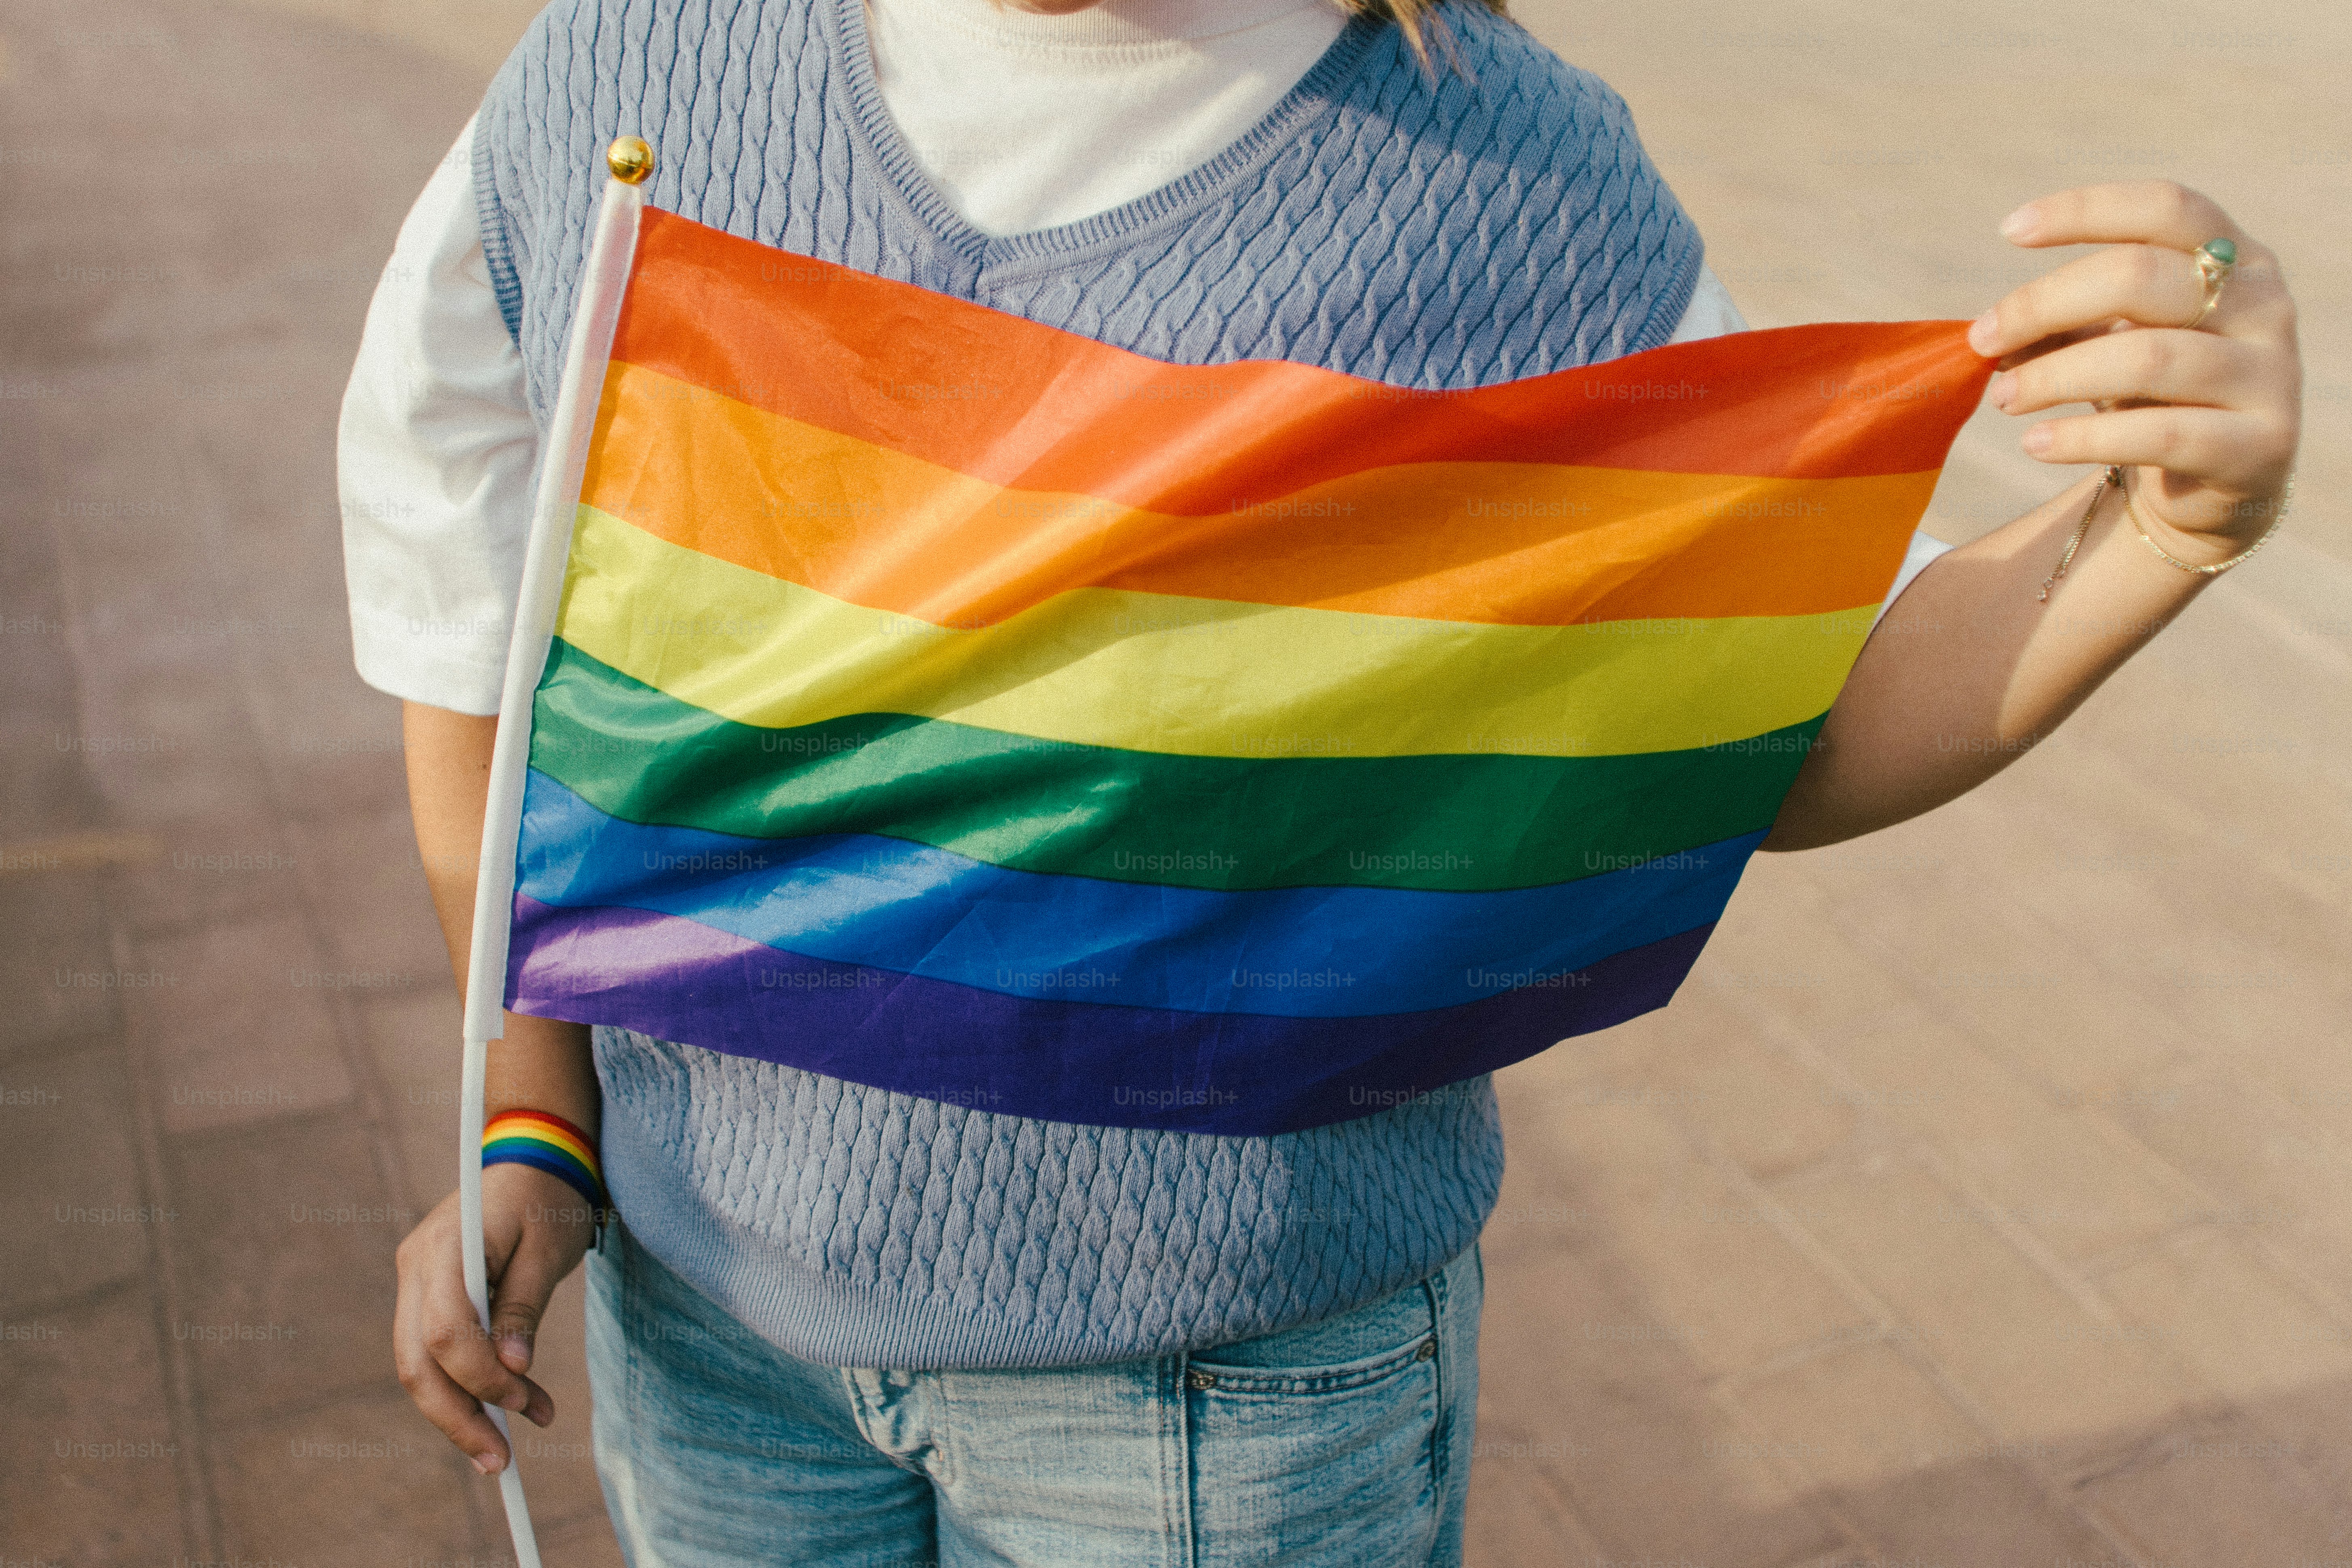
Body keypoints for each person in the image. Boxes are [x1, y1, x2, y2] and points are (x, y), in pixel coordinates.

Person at [346, 0, 2303, 1560]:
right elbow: (483, 627)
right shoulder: (624, 74)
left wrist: (2160, 534)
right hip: (702, 1329)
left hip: (1233, 1404)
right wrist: (533, 1108)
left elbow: (1780, 720)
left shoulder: (1520, 194)